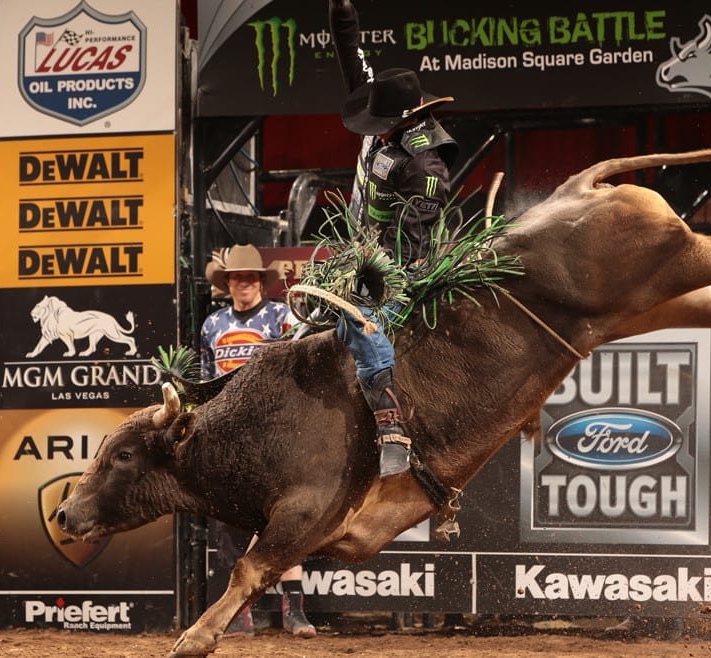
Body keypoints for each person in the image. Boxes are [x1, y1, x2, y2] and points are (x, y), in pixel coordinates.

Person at [328, 0, 458, 477]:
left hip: (403, 264)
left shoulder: (424, 163)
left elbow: (416, 237)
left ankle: (391, 426)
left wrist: (376, 272)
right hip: (361, 252)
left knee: (359, 319)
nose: (374, 132)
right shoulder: (381, 104)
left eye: (382, 127)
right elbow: (351, 56)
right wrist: (341, 14)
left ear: (404, 122)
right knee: (318, 325)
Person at [199, 244, 316, 639]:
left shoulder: (282, 316)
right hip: (225, 437)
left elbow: (300, 367)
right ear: (228, 282)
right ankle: (239, 616)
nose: (244, 283)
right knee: (229, 524)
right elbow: (205, 378)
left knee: (287, 520)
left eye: (251, 277)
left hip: (274, 433)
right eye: (237, 277)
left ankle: (294, 613)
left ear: (260, 283)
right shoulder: (212, 325)